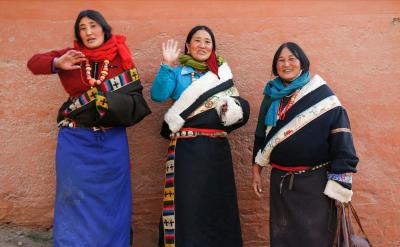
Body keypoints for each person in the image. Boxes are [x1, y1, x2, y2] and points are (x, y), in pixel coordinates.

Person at [27, 9, 151, 247]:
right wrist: (57, 63)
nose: (88, 31)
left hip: (112, 141)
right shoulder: (71, 56)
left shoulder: (120, 58)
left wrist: (110, 107)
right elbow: (33, 64)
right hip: (75, 141)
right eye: (82, 28)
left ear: (104, 29)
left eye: (93, 25)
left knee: (113, 199)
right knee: (73, 198)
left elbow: (134, 98)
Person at [251, 42, 359, 246]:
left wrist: (340, 186)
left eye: (292, 59)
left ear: (302, 63)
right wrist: (256, 170)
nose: (286, 64)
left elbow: (342, 141)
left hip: (315, 185)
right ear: (275, 66)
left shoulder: (322, 96)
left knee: (317, 239)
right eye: (281, 60)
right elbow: (260, 136)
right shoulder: (271, 97)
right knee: (283, 239)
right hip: (281, 184)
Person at [151, 25, 250, 247]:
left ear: (213, 47)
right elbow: (158, 95)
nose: (202, 45)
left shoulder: (221, 76)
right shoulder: (177, 73)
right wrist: (166, 65)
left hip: (216, 151)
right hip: (186, 150)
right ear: (188, 45)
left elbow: (236, 109)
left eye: (207, 41)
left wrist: (229, 109)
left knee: (216, 204)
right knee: (187, 204)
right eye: (197, 40)